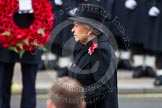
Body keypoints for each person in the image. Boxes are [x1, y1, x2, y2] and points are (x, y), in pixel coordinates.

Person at [58, 4, 118, 108]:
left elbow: (104, 88)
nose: (72, 30)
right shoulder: (81, 45)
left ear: (89, 29)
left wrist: (76, 96)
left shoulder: (101, 50)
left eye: (76, 25)